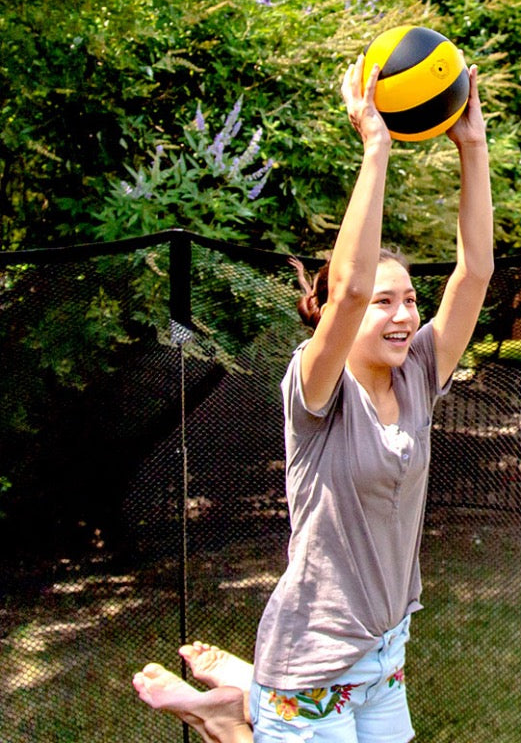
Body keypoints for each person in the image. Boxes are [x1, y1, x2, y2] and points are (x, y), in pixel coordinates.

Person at [133, 52, 493, 742]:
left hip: (385, 654)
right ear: (334, 315)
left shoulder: (418, 373)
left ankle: (237, 704)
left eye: (410, 300)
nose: (403, 315)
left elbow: (475, 272)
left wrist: (472, 145)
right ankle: (239, 712)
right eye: (383, 302)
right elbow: (350, 286)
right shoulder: (316, 391)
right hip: (314, 661)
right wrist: (376, 148)